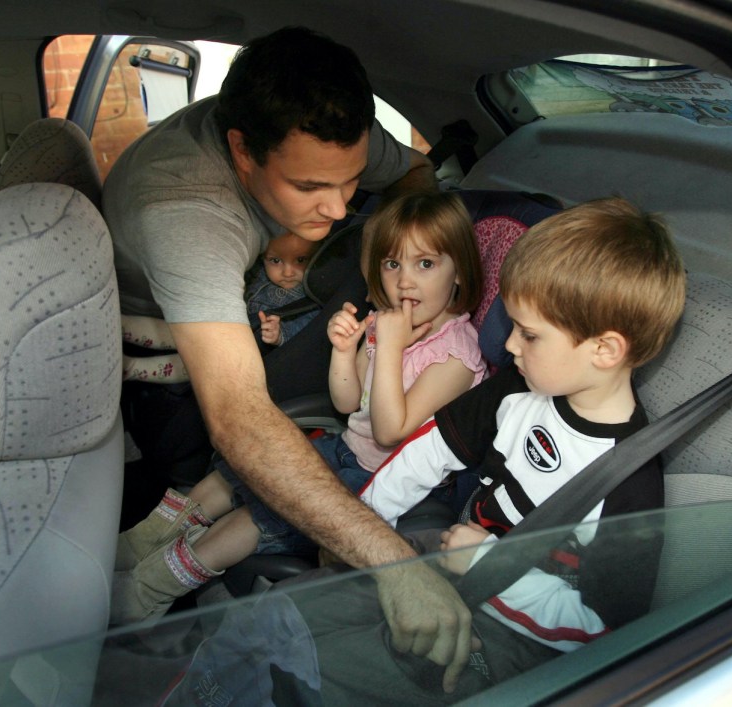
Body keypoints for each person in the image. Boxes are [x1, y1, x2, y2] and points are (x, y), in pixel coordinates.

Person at [103, 26, 476, 692]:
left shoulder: (332, 139)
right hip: (161, 336)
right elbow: (240, 416)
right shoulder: (187, 208)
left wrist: (385, 255)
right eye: (310, 187)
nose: (338, 208)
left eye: (353, 182)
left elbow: (415, 177)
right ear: (243, 152)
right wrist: (393, 562)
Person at [291, 197, 687, 703]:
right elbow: (428, 451)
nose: (511, 346)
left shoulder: (628, 478)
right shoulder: (516, 391)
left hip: (515, 639)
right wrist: (362, 524)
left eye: (530, 334)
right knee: (293, 613)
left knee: (321, 671)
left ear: (605, 350)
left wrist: (487, 566)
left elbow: (600, 626)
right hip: (446, 564)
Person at [111, 191, 488, 624]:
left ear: (458, 271)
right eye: (392, 264)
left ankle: (152, 589)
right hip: (346, 448)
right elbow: (349, 403)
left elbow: (389, 431)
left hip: (381, 481)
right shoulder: (389, 324)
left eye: (426, 264)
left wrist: (391, 347)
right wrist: (346, 351)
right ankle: (148, 539)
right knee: (239, 468)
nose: (405, 281)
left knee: (264, 511)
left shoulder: (455, 356)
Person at [120, 231, 319, 382]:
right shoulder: (258, 270)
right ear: (264, 257)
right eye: (275, 260)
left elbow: (306, 332)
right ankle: (119, 325)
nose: (288, 271)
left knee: (199, 365)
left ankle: (131, 368)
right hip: (219, 322)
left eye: (301, 260)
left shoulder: (310, 296)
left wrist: (279, 334)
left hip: (241, 347)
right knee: (179, 331)